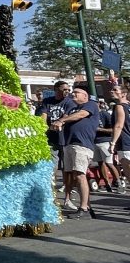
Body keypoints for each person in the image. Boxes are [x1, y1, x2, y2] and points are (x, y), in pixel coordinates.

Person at [51, 86, 99, 219]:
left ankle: (83, 208)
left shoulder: (91, 105)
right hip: (69, 144)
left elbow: (81, 115)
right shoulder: (71, 108)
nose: (73, 94)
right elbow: (64, 117)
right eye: (73, 92)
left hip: (81, 145)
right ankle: (87, 206)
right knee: (74, 177)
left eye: (77, 92)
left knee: (80, 175)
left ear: (86, 96)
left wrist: (62, 120)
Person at [39, 81, 69, 181]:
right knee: (53, 162)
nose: (67, 91)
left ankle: (67, 186)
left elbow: (67, 115)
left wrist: (60, 122)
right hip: (51, 137)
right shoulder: (47, 101)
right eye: (64, 89)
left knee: (67, 164)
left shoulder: (69, 102)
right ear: (56, 89)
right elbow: (44, 115)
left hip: (65, 137)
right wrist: (43, 129)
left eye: (68, 89)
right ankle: (52, 184)